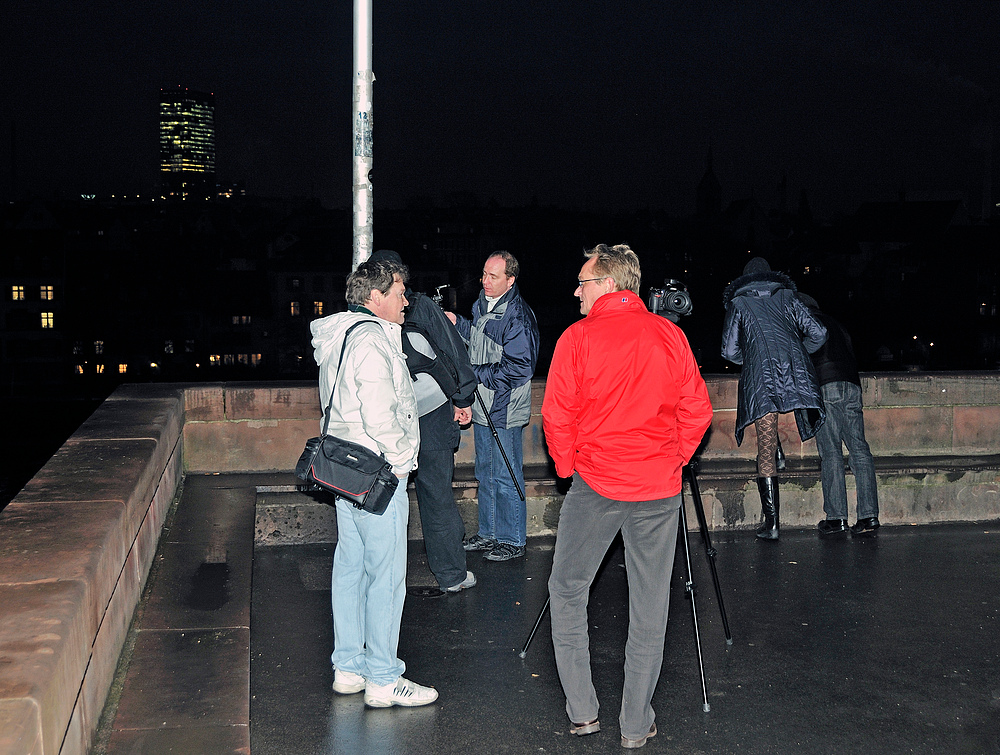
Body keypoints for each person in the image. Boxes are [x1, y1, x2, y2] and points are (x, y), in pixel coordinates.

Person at [542, 244, 713, 749]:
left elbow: (557, 416)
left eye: (583, 282)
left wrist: (570, 467)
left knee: (567, 590)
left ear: (610, 284)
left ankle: (583, 710)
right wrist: (673, 459)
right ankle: (636, 725)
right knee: (650, 606)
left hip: (596, 484)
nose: (576, 290)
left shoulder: (577, 339)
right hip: (657, 489)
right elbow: (697, 410)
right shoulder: (670, 335)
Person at [310, 258, 437, 708]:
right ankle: (384, 678)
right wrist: (402, 463)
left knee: (350, 567)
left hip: (347, 470)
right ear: (375, 296)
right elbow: (381, 414)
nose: (407, 300)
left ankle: (349, 667)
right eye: (400, 291)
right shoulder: (372, 342)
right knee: (385, 577)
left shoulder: (340, 335)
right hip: (378, 471)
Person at [368, 250, 478, 592]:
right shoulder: (421, 306)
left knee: (380, 497)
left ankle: (381, 581)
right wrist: (463, 399)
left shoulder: (366, 314)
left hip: (387, 415)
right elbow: (453, 349)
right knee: (437, 493)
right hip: (431, 412)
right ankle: (451, 576)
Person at [721, 257, 827, 540]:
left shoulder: (740, 304)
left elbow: (729, 352)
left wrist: (755, 357)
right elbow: (819, 332)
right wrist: (797, 353)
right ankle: (779, 451)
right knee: (782, 416)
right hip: (795, 372)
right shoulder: (788, 296)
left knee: (763, 450)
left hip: (761, 377)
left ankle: (773, 525)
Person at [446, 251, 540, 562]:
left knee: (505, 474)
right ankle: (489, 534)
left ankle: (512, 539)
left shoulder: (518, 317)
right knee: (485, 472)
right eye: (484, 274)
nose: (485, 281)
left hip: (504, 406)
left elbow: (520, 368)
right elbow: (479, 340)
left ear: (510, 280)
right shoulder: (484, 305)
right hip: (484, 404)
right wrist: (457, 322)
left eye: (493, 276)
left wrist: (476, 374)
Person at [798, 294, 880, 537]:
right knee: (859, 449)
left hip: (826, 384)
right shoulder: (837, 323)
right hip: (851, 384)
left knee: (831, 451)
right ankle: (869, 515)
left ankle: (836, 517)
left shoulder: (805, 322)